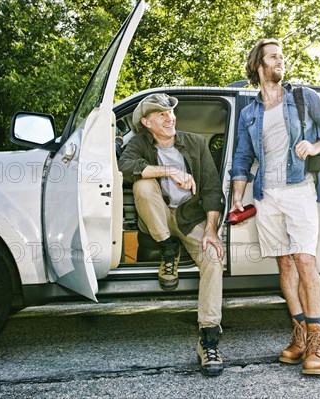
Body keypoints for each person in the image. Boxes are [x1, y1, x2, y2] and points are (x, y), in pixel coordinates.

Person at [229, 39, 320, 375]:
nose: (280, 60)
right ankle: (298, 334)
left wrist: (315, 145)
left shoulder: (302, 97)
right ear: (258, 66)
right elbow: (242, 156)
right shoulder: (250, 113)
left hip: (298, 190)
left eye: (282, 56)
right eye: (273, 56)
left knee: (306, 261)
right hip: (268, 195)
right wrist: (239, 195)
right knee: (285, 264)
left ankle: (315, 342)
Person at [118, 93, 225, 377]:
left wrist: (212, 230)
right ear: (146, 122)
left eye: (171, 113)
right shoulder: (140, 143)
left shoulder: (195, 143)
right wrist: (170, 172)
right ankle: (168, 249)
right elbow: (126, 167)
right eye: (161, 115)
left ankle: (209, 338)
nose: (170, 118)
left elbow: (213, 190)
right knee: (142, 185)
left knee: (213, 257)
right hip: (160, 217)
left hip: (190, 217)